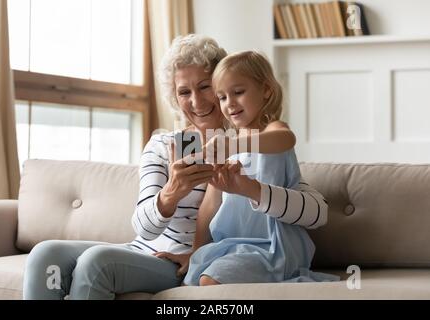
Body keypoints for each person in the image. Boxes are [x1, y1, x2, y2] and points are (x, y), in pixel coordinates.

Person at [23, 35, 329, 300]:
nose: (197, 101)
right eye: (184, 92)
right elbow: (144, 227)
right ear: (175, 97)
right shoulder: (162, 145)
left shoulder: (250, 143)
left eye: (206, 87)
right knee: (45, 254)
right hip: (141, 249)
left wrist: (197, 251)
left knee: (97, 262)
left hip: (178, 262)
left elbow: (307, 202)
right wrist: (172, 192)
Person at [179, 51, 339, 286]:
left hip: (274, 245)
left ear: (266, 90)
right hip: (233, 245)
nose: (229, 104)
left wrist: (232, 145)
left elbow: (286, 139)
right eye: (222, 97)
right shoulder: (229, 144)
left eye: (238, 92)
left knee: (209, 281)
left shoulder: (271, 130)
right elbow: (210, 205)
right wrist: (195, 251)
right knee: (193, 278)